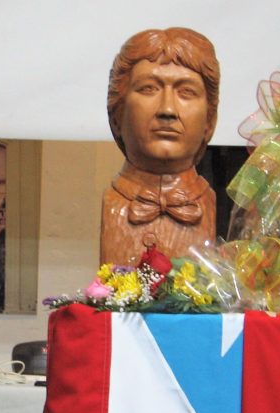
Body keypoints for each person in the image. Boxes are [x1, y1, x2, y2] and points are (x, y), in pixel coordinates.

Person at [101, 27, 220, 265]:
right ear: (116, 114)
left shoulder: (209, 201)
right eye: (149, 89)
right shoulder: (111, 201)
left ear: (209, 120)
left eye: (186, 92)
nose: (167, 109)